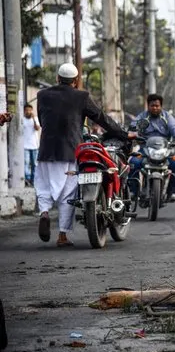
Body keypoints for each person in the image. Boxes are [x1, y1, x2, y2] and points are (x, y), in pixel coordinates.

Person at [35, 63, 134, 247]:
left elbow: (42, 120)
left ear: (57, 78)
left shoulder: (42, 95)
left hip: (46, 150)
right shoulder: (81, 96)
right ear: (76, 80)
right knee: (68, 193)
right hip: (71, 151)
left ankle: (44, 213)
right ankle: (62, 236)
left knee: (43, 187)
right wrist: (123, 133)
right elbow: (101, 118)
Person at [131, 94, 175, 202]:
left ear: (161, 106)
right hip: (145, 151)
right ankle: (134, 191)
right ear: (148, 106)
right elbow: (134, 127)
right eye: (152, 105)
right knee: (133, 162)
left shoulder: (167, 117)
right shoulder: (142, 117)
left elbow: (174, 129)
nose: (155, 108)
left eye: (157, 105)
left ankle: (172, 193)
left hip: (165, 151)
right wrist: (132, 134)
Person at [23, 104, 40, 186]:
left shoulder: (36, 119)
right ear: (24, 111)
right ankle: (27, 179)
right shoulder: (22, 119)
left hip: (34, 145)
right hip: (24, 145)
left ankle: (33, 180)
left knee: (34, 164)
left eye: (30, 110)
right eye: (26, 110)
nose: (28, 112)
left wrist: (33, 119)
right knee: (26, 163)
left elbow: (37, 128)